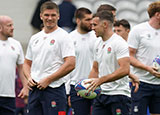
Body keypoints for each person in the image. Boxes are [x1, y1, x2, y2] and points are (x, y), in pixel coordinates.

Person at [23, 1, 75, 115]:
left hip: (54, 89)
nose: (50, 18)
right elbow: (26, 63)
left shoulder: (64, 36)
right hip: (35, 90)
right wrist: (28, 77)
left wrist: (49, 79)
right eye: (46, 15)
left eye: (53, 15)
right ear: (41, 16)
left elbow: (71, 63)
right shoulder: (35, 38)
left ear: (58, 16)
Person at [87, 10, 131, 115]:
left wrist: (101, 80)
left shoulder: (119, 43)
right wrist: (87, 87)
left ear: (105, 25)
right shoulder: (97, 43)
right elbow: (95, 69)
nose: (92, 28)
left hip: (119, 95)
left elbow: (125, 69)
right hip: (101, 95)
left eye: (95, 25)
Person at [127, 1, 160, 115]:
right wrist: (147, 68)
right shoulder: (138, 30)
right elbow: (129, 57)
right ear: (158, 14)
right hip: (141, 83)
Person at [69, 7, 98, 115]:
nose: (91, 22)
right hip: (77, 86)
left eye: (91, 19)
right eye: (87, 20)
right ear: (78, 20)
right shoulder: (69, 38)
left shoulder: (97, 37)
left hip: (95, 84)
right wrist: (68, 92)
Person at [0, 15, 28, 115]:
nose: (13, 28)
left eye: (13, 25)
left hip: (10, 96)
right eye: (9, 25)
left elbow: (21, 68)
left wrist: (25, 87)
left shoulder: (16, 44)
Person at [114, 19, 139, 92]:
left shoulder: (134, 46)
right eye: (114, 31)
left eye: (119, 31)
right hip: (119, 84)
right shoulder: (114, 45)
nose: (116, 33)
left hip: (134, 81)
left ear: (127, 31)